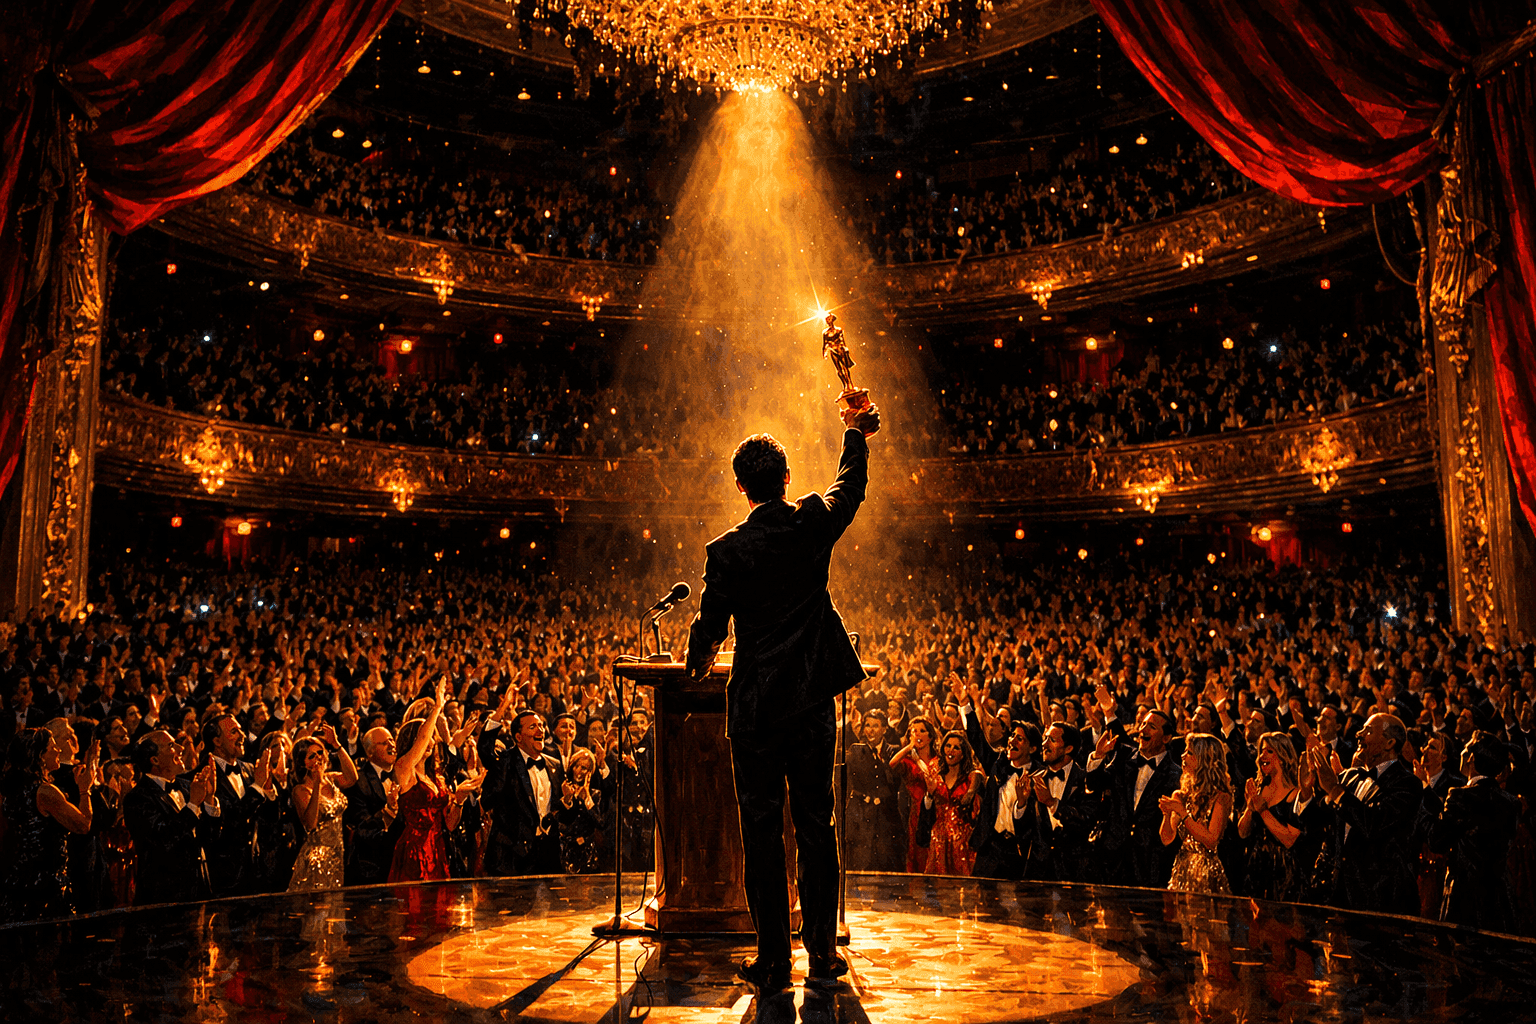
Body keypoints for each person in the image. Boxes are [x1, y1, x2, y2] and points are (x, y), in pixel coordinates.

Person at [684, 402, 879, 996]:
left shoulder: (726, 551)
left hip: (756, 711)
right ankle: (822, 954)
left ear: (742, 486)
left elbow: (710, 626)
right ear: (787, 477)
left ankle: (773, 961)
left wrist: (696, 660)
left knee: (762, 833)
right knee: (816, 825)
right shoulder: (811, 521)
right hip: (812, 703)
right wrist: (853, 434)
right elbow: (850, 489)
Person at [1307, 712, 1422, 915]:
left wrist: (1334, 790)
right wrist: (1308, 791)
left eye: (1368, 731)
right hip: (1339, 894)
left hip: (1380, 899)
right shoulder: (1350, 776)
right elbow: (1317, 823)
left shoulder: (1407, 783)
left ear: (1389, 743)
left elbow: (1375, 825)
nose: (1359, 734)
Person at [390, 680, 483, 882]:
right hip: (415, 851)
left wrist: (459, 798)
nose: (431, 740)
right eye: (427, 735)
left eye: (433, 736)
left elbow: (449, 824)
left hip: (439, 848)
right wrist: (438, 706)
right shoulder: (404, 770)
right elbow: (421, 739)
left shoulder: (436, 776)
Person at [1430, 731, 1521, 930]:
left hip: (1463, 896)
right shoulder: (1511, 803)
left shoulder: (1460, 797)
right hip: (1498, 898)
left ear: (1470, 757)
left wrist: (1428, 799)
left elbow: (1437, 841)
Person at [1, 728, 94, 920]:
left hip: (17, 878)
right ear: (40, 756)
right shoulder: (45, 792)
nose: (59, 750)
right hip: (43, 883)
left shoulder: (11, 790)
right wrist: (85, 790)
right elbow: (83, 825)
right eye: (53, 747)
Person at [1085, 708, 1181, 887]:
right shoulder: (1123, 758)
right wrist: (1098, 756)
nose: (1143, 729)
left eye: (1151, 726)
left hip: (1150, 862)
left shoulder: (1176, 774)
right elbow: (1095, 785)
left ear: (1166, 738)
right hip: (1113, 856)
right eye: (1143, 724)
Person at [124, 729, 219, 905]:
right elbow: (163, 840)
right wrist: (192, 806)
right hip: (164, 897)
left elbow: (209, 839)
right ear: (155, 760)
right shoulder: (137, 798)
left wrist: (209, 800)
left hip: (200, 890)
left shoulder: (187, 786)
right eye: (171, 746)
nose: (180, 748)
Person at [479, 703, 565, 875]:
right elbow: (485, 750)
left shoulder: (555, 764)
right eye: (533, 727)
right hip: (512, 858)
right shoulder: (506, 762)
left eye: (541, 725)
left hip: (548, 855)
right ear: (518, 737)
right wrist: (501, 708)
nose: (540, 730)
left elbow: (558, 807)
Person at [202, 713, 277, 897]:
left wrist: (268, 790)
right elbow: (230, 822)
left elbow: (271, 819)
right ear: (217, 741)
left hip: (257, 872)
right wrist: (257, 787)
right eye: (234, 732)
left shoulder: (250, 769)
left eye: (241, 730)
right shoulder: (204, 776)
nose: (242, 735)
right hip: (226, 877)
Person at [1160, 733, 1233, 895]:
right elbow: (1166, 839)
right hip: (1182, 869)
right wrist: (1166, 815)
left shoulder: (1221, 797)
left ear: (1204, 759)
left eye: (1189, 753)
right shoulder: (1181, 795)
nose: (1182, 756)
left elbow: (1211, 840)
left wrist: (1183, 814)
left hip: (1207, 872)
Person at [287, 726, 358, 892]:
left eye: (320, 753)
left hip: (338, 853)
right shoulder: (301, 790)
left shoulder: (332, 779)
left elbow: (353, 778)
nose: (318, 758)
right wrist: (317, 784)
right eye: (312, 756)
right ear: (302, 763)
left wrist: (337, 745)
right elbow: (310, 825)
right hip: (317, 859)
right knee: (317, 913)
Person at [966, 721, 1039, 881]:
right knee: (981, 900)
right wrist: (966, 705)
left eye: (1020, 739)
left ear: (1032, 748)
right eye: (1012, 735)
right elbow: (977, 740)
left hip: (1018, 852)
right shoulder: (999, 764)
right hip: (990, 846)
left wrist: (1021, 804)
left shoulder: (1040, 776)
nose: (1012, 740)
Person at [1022, 722, 1092, 883]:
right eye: (1045, 738)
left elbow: (1086, 822)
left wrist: (1052, 803)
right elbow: (1025, 830)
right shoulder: (1034, 779)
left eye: (1052, 740)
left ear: (1068, 749)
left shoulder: (1085, 780)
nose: (1044, 744)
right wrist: (1021, 804)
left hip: (1073, 872)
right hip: (1037, 871)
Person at [843, 710, 904, 872]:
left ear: (884, 729)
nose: (871, 730)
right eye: (868, 725)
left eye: (876, 726)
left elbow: (894, 782)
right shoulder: (856, 751)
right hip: (861, 815)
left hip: (885, 816)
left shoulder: (893, 751)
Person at [344, 725, 404, 886]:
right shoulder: (359, 781)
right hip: (375, 866)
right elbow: (362, 828)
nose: (392, 745)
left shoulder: (404, 774)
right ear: (370, 752)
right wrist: (387, 811)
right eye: (384, 743)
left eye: (392, 740)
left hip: (407, 860)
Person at [922, 730, 984, 876]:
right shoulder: (936, 775)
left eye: (956, 747)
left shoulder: (970, 777)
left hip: (962, 839)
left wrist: (970, 792)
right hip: (939, 836)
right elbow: (927, 809)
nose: (951, 750)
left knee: (962, 886)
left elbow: (979, 775)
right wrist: (929, 794)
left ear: (963, 754)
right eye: (948, 746)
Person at [889, 717, 940, 872]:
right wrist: (909, 746)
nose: (917, 734)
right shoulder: (909, 761)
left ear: (930, 736)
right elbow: (892, 764)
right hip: (917, 815)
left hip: (939, 811)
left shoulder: (939, 759)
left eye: (922, 731)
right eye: (913, 731)